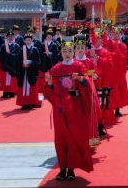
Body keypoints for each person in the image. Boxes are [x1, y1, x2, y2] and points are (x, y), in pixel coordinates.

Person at [44, 40, 95, 181]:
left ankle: (71, 168)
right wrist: (48, 83)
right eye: (64, 52)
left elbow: (88, 81)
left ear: (74, 52)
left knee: (74, 136)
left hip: (75, 108)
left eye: (70, 51)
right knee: (61, 138)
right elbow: (48, 89)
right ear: (61, 53)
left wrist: (80, 78)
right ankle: (62, 169)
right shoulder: (55, 68)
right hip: (60, 108)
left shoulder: (79, 65)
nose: (67, 54)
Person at [15, 33, 42, 109]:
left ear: (32, 40)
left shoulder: (35, 49)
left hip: (31, 71)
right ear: (24, 41)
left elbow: (38, 62)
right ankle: (23, 103)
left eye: (29, 40)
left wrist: (31, 63)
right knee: (23, 87)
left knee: (31, 87)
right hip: (23, 72)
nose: (28, 41)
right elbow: (17, 61)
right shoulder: (21, 49)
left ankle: (31, 102)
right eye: (26, 40)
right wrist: (22, 64)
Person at [0, 30, 20, 98]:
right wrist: (5, 60)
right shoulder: (3, 46)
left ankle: (12, 91)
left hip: (13, 66)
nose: (10, 38)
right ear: (7, 37)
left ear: (14, 37)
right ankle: (5, 91)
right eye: (9, 36)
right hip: (5, 65)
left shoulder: (16, 46)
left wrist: (10, 56)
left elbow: (17, 55)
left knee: (12, 79)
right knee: (4, 79)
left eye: (12, 36)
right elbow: (0, 56)